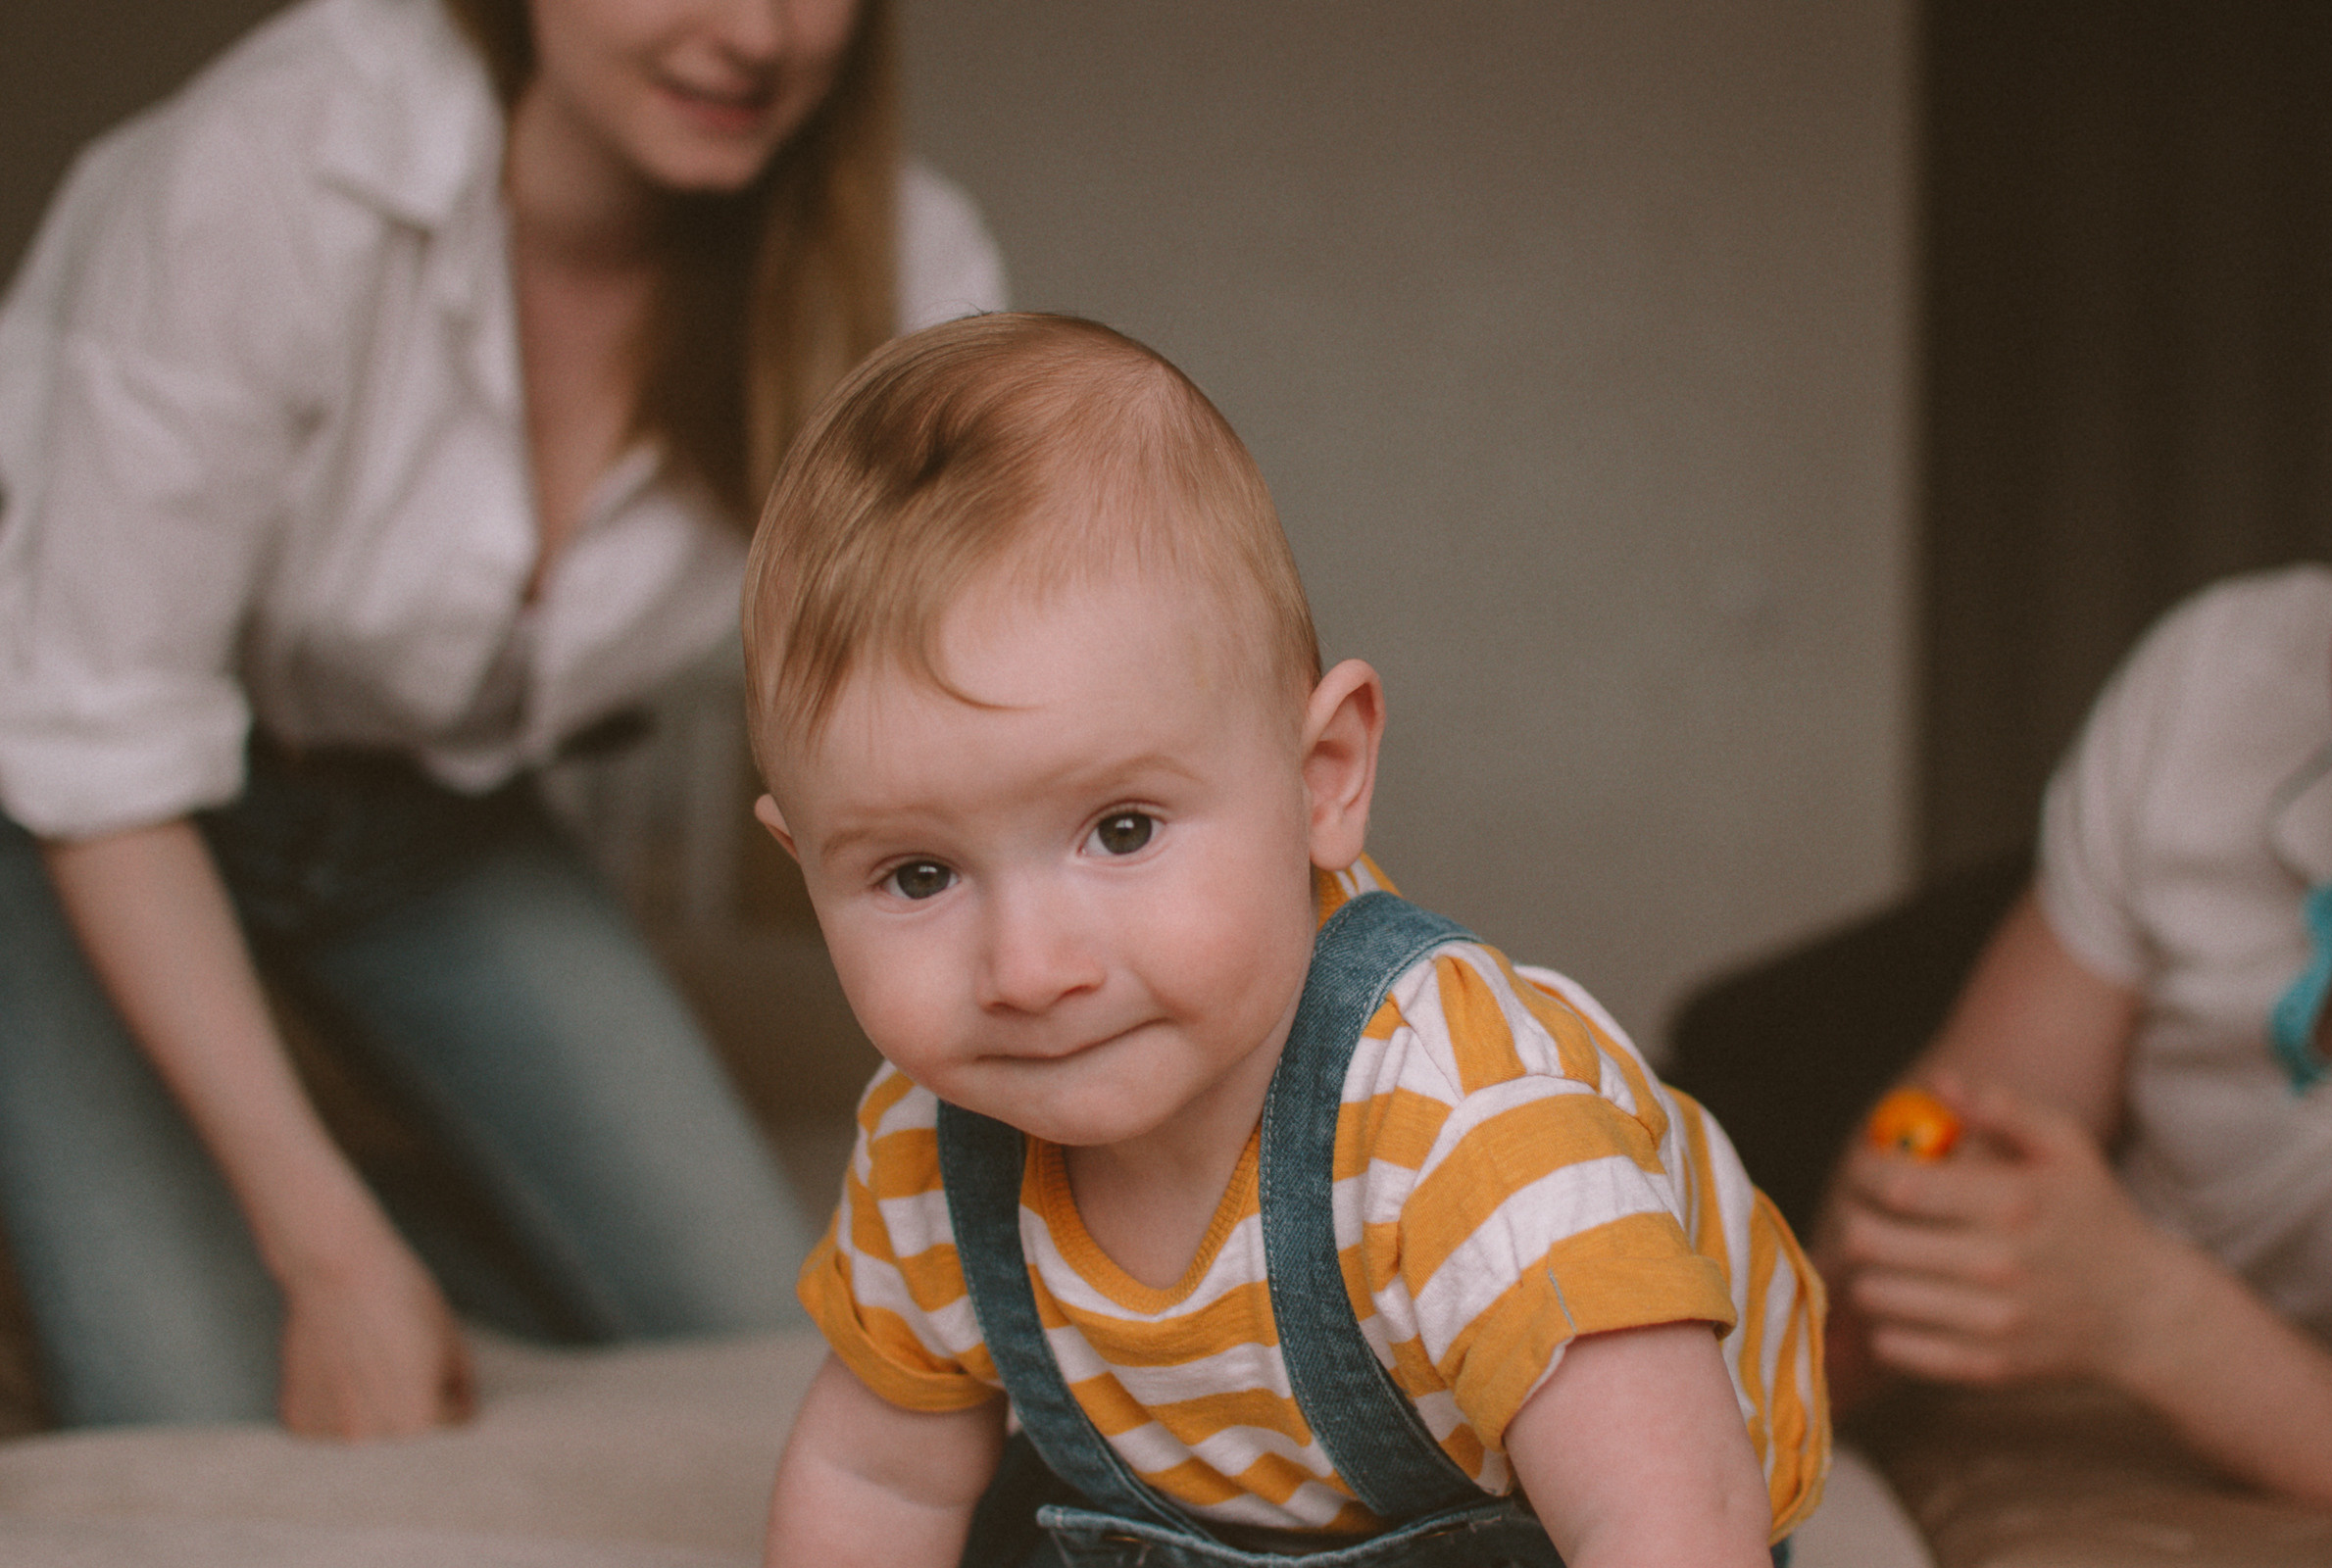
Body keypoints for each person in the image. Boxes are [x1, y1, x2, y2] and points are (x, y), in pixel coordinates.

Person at [0, 0, 1005, 1436]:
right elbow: (95, 743)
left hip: (429, 822)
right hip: (65, 810)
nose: (758, 33)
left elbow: (986, 716)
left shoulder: (907, 270)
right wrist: (322, 1252)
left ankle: (363, 1179)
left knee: (765, 1322)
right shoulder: (282, 158)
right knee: (200, 1401)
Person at [739, 313, 1826, 1567]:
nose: (1031, 972)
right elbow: (870, 1480)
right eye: (916, 873)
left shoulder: (1462, 1124)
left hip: (1607, 1497)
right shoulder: (925, 1154)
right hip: (1212, 1501)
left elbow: (1672, 1515)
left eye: (1124, 828)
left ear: (1322, 778)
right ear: (806, 866)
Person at [1816, 564, 2332, 1511]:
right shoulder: (2226, 672)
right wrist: (1802, 1382)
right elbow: (1963, 1111)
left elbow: (2131, 1308)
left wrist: (2152, 1319)